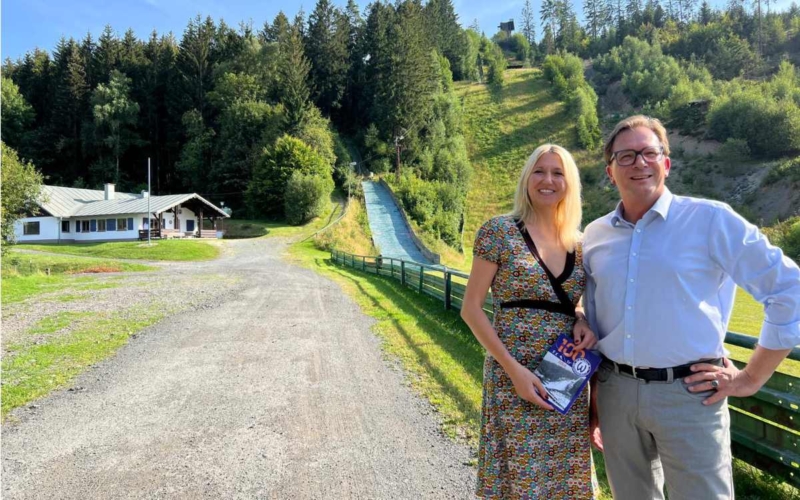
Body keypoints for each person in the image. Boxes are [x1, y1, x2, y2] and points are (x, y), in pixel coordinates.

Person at [577, 115, 800, 500]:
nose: (639, 163)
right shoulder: (595, 235)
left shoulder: (710, 220)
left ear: (667, 163)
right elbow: (594, 312)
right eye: (625, 156)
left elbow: (789, 290)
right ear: (610, 171)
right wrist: (595, 393)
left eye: (649, 153)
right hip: (615, 393)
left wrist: (749, 379)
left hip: (690, 395)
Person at [461, 144, 598, 499]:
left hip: (565, 381)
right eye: (539, 171)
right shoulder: (498, 232)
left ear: (570, 183)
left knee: (565, 479)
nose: (548, 180)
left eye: (558, 173)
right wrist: (514, 371)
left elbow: (572, 305)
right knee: (518, 481)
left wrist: (581, 318)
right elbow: (472, 309)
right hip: (514, 378)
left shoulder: (581, 246)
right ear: (526, 179)